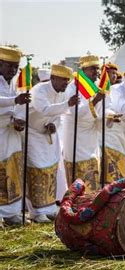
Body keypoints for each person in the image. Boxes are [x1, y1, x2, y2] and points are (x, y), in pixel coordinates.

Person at [27, 64, 78, 223]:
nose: (65, 83)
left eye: (67, 80)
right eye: (63, 80)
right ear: (53, 78)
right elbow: (44, 109)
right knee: (38, 169)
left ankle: (49, 208)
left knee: (52, 169)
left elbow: (58, 115)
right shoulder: (39, 90)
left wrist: (53, 124)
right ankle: (36, 212)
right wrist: (67, 104)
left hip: (48, 134)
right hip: (32, 134)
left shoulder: (61, 94)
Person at [63, 54, 107, 192]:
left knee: (93, 164)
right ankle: (78, 201)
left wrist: (108, 117)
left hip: (91, 133)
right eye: (93, 69)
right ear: (84, 70)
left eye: (98, 68)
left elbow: (103, 110)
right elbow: (76, 112)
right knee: (80, 166)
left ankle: (92, 200)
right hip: (76, 134)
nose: (97, 72)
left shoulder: (96, 86)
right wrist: (95, 100)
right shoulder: (73, 87)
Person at [0, 46, 31, 226]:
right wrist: (15, 101)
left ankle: (11, 213)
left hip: (11, 133)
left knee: (13, 172)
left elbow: (16, 109)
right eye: (9, 66)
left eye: (16, 67)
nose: (13, 70)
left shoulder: (13, 82)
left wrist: (18, 121)